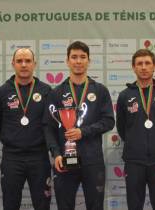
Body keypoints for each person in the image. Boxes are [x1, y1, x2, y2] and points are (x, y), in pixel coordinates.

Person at [44, 41, 115, 210]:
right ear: (67, 61)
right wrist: (56, 154)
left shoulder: (100, 91)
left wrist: (83, 132)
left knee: (95, 206)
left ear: (89, 61)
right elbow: (48, 126)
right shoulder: (56, 93)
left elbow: (109, 121)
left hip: (92, 159)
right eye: (74, 57)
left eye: (83, 57)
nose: (78, 61)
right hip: (64, 160)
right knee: (65, 206)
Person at [0, 48, 52, 210]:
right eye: (19, 61)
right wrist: (10, 138)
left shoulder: (46, 91)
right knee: (10, 205)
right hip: (12, 158)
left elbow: (51, 123)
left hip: (39, 157)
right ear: (13, 64)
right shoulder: (1, 92)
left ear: (34, 64)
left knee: (42, 205)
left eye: (27, 61)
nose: (23, 65)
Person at [116, 49, 155, 210]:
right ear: (133, 67)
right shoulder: (124, 95)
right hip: (134, 161)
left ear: (154, 66)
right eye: (139, 64)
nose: (143, 67)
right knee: (134, 206)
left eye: (147, 63)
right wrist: (135, 142)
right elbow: (122, 128)